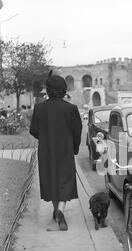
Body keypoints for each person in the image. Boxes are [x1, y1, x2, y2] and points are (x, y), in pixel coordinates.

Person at [30, 71, 82, 231]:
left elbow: (33, 130)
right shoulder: (71, 109)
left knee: (51, 179)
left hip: (46, 151)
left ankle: (56, 211)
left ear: (48, 89)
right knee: (65, 180)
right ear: (64, 89)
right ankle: (60, 210)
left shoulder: (39, 108)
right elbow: (77, 131)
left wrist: (45, 138)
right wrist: (74, 147)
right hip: (65, 150)